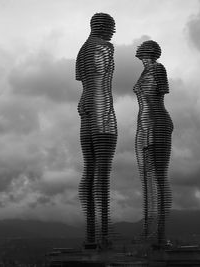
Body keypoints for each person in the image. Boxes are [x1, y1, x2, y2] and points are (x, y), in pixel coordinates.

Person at [76, 13, 117, 248]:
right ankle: (105, 235)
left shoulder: (81, 51)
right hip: (102, 114)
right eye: (112, 27)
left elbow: (85, 85)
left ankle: (91, 236)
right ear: (104, 27)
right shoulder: (104, 46)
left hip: (85, 113)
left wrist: (85, 108)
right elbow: (104, 82)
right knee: (103, 173)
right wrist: (106, 113)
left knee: (89, 171)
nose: (113, 32)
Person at [134, 40, 173, 246]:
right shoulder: (144, 73)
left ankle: (160, 234)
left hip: (158, 123)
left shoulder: (158, 69)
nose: (137, 49)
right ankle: (148, 229)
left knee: (158, 178)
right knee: (146, 178)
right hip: (145, 126)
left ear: (149, 51)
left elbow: (159, 96)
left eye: (141, 46)